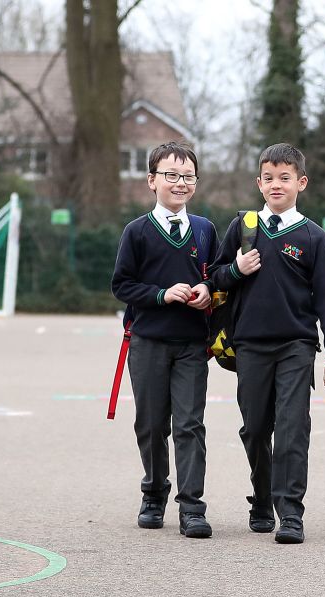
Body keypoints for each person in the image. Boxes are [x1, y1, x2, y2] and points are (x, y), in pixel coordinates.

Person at [208, 143, 325, 544]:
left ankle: (291, 513)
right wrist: (236, 268)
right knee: (254, 429)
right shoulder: (242, 226)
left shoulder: (313, 236)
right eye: (268, 177)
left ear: (301, 183)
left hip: (296, 346)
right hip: (248, 344)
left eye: (284, 177)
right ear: (258, 182)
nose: (275, 184)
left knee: (291, 430)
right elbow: (215, 276)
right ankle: (262, 497)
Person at [111, 141, 218, 539]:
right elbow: (121, 285)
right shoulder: (136, 231)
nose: (180, 182)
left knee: (190, 424)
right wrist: (160, 295)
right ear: (152, 180)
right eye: (171, 175)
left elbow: (217, 274)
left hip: (192, 344)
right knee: (152, 424)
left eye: (188, 176)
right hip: (148, 342)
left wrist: (208, 288)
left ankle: (192, 506)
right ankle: (154, 492)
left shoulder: (206, 229)